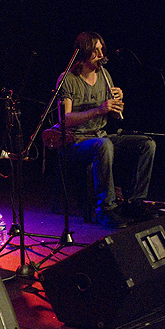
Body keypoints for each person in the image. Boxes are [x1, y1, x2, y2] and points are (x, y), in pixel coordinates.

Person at [57, 31, 157, 228]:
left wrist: (116, 104)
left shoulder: (104, 75)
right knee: (104, 145)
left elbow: (113, 116)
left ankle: (134, 202)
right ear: (84, 52)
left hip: (101, 136)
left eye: (101, 49)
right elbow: (64, 120)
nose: (101, 55)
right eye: (95, 51)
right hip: (75, 140)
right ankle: (106, 209)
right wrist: (99, 109)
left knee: (147, 144)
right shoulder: (67, 78)